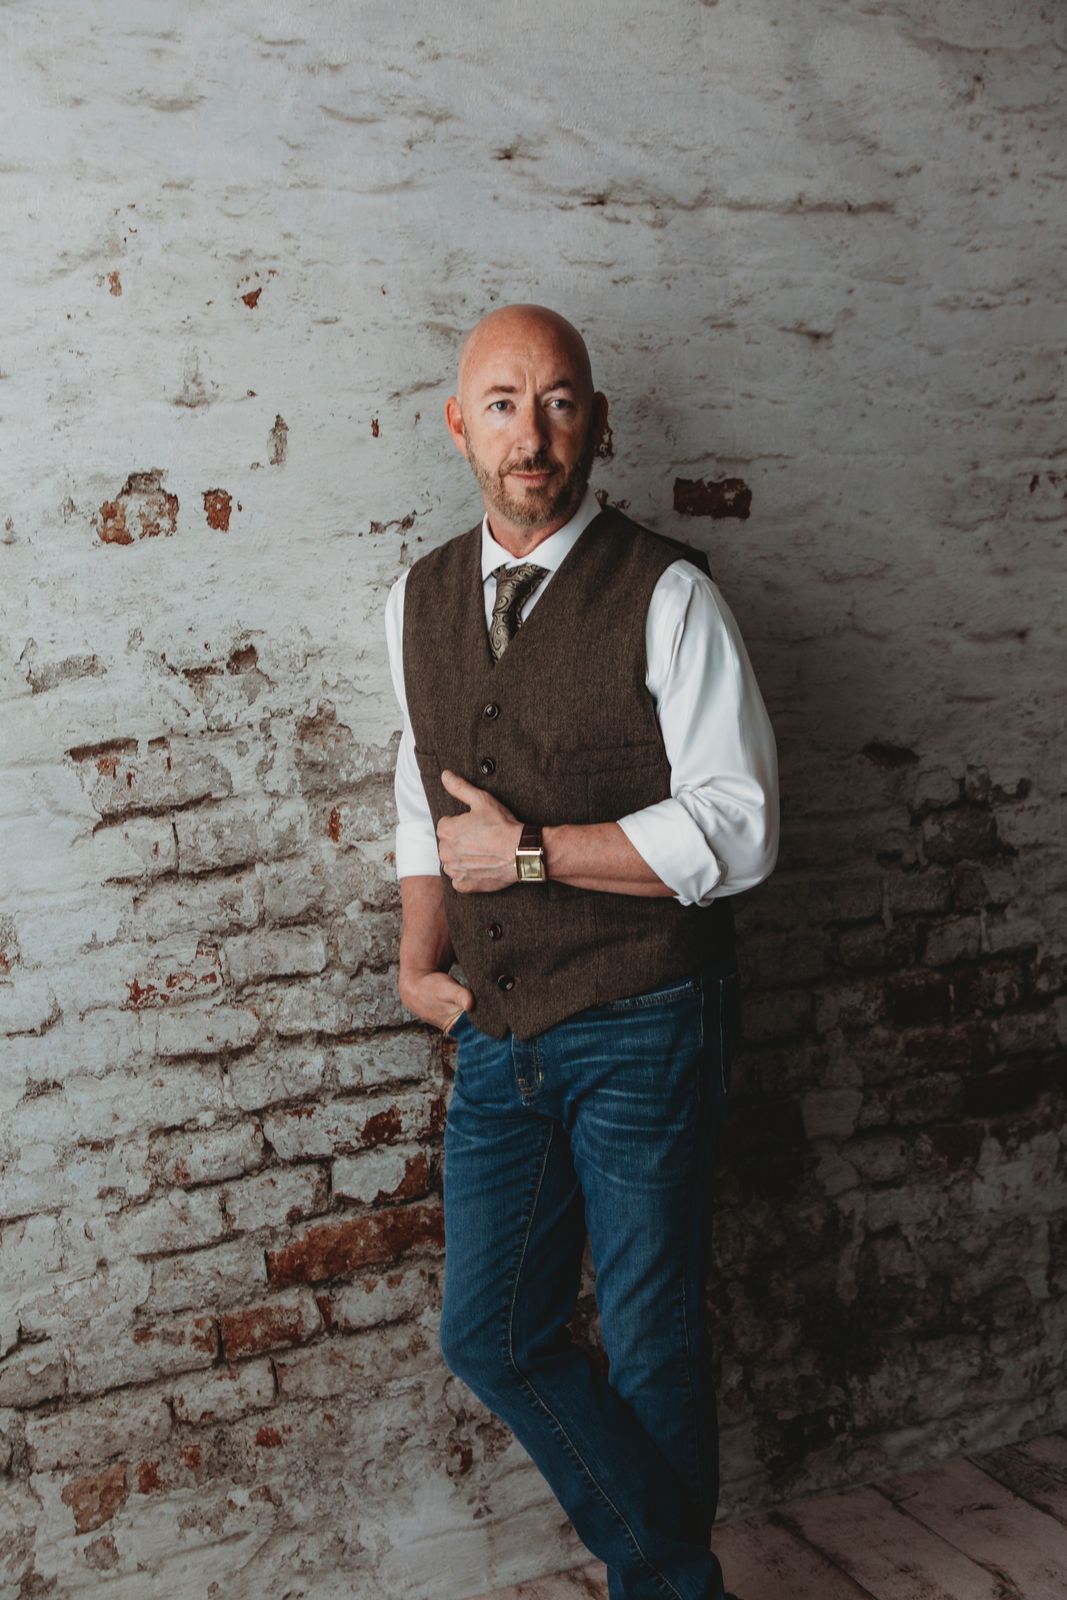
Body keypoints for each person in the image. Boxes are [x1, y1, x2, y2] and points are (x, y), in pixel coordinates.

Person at [383, 303, 778, 1600]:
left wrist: (533, 855)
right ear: (459, 426)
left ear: (597, 423)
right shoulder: (418, 598)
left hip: (647, 1016)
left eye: (559, 403)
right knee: (491, 1334)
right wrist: (418, 963)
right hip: (500, 1027)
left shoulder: (670, 594)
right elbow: (420, 793)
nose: (532, 435)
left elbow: (741, 829)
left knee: (653, 1338)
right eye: (503, 404)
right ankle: (676, 1572)